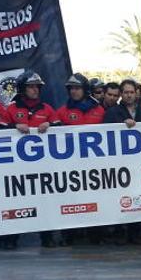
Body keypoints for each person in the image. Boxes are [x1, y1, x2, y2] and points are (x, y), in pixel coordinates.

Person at [51, 73, 105, 246]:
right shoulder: (62, 111)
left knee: (96, 200)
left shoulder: (99, 110)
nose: (74, 91)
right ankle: (69, 236)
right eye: (71, 88)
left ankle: (95, 235)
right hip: (70, 167)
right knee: (70, 202)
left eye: (77, 88)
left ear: (85, 90)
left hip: (94, 166)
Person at [6, 70, 56, 248]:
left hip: (43, 165)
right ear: (22, 88)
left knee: (45, 200)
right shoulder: (11, 108)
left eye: (37, 87)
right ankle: (11, 239)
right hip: (17, 166)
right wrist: (13, 126)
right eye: (31, 87)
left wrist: (50, 124)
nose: (35, 90)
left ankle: (47, 238)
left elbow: (62, 129)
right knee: (16, 200)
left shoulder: (47, 108)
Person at [104, 79, 141, 245]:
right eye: (125, 92)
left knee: (137, 196)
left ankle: (135, 232)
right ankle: (118, 231)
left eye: (131, 92)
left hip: (139, 163)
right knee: (120, 197)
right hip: (119, 163)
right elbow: (104, 133)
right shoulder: (113, 112)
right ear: (121, 94)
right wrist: (121, 125)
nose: (129, 95)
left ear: (137, 93)